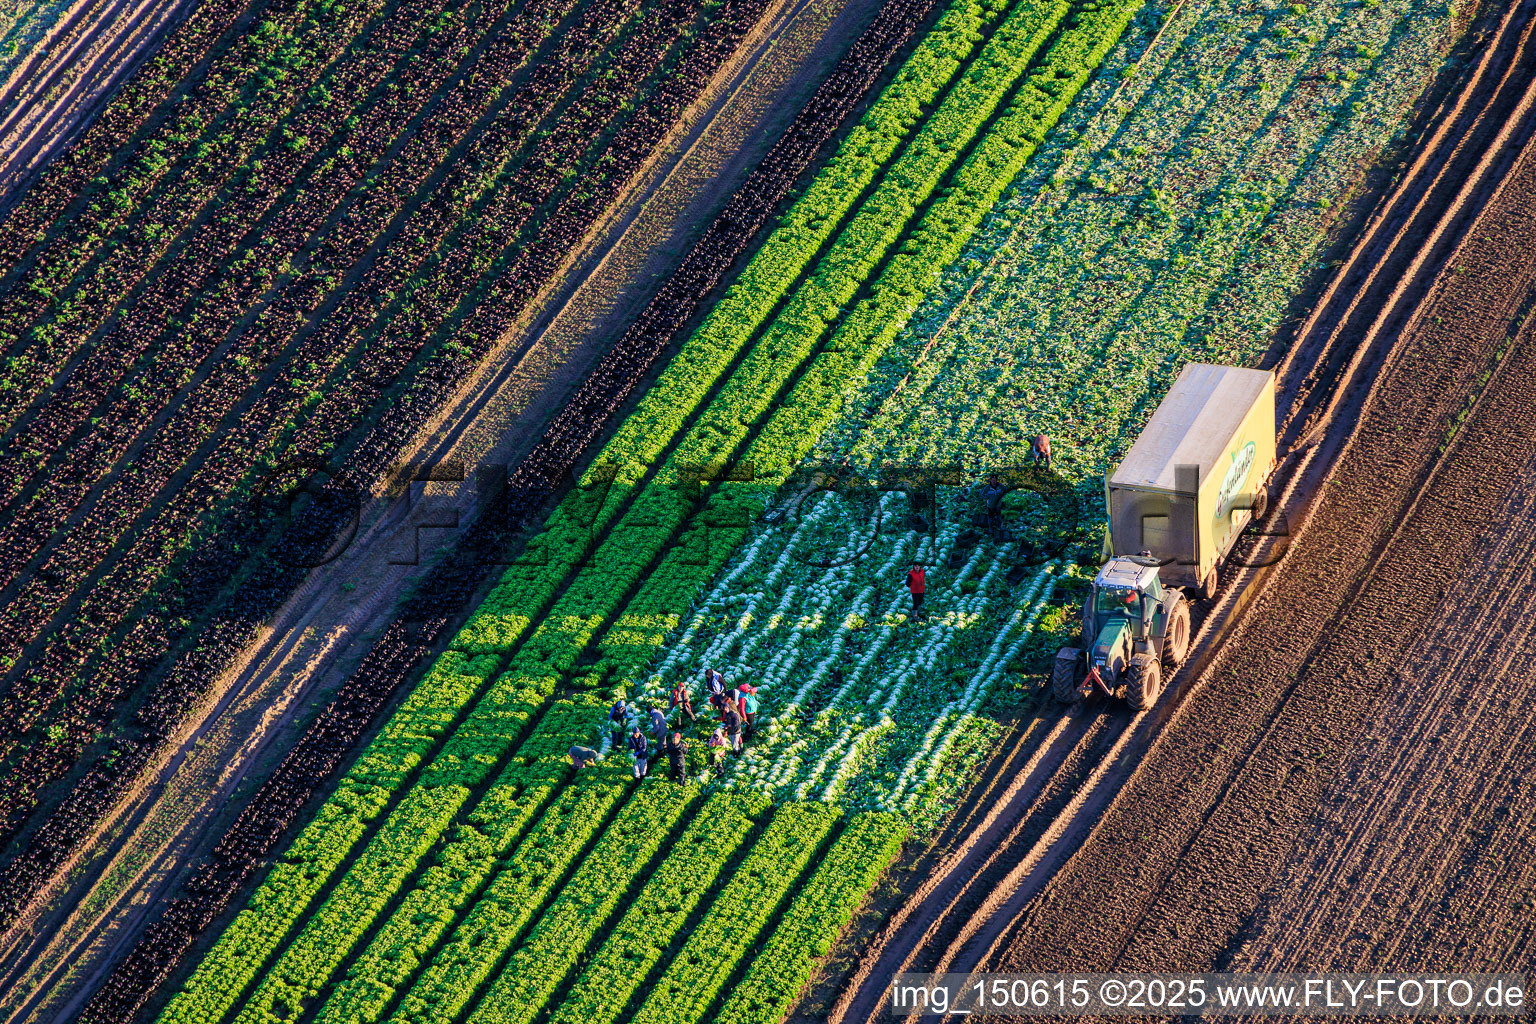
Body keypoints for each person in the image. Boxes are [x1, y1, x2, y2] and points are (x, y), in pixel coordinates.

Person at [982, 474, 1006, 540]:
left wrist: (1002, 496)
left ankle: (999, 526)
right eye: (992, 480)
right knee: (990, 517)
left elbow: (1005, 490)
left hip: (998, 504)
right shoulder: (988, 487)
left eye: (995, 480)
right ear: (991, 480)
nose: (994, 481)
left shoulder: (1000, 486)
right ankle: (990, 528)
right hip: (991, 505)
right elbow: (982, 494)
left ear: (996, 480)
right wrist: (986, 498)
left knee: (998, 516)